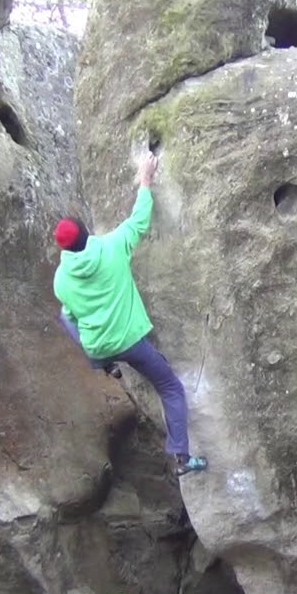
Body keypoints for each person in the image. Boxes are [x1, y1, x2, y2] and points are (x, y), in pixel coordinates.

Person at [53, 153, 207, 476]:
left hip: (97, 346)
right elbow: (139, 220)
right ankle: (181, 457)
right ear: (86, 235)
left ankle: (104, 364)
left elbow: (72, 312)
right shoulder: (112, 247)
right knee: (171, 389)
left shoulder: (61, 279)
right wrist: (146, 178)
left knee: (66, 316)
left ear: (64, 248)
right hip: (129, 342)